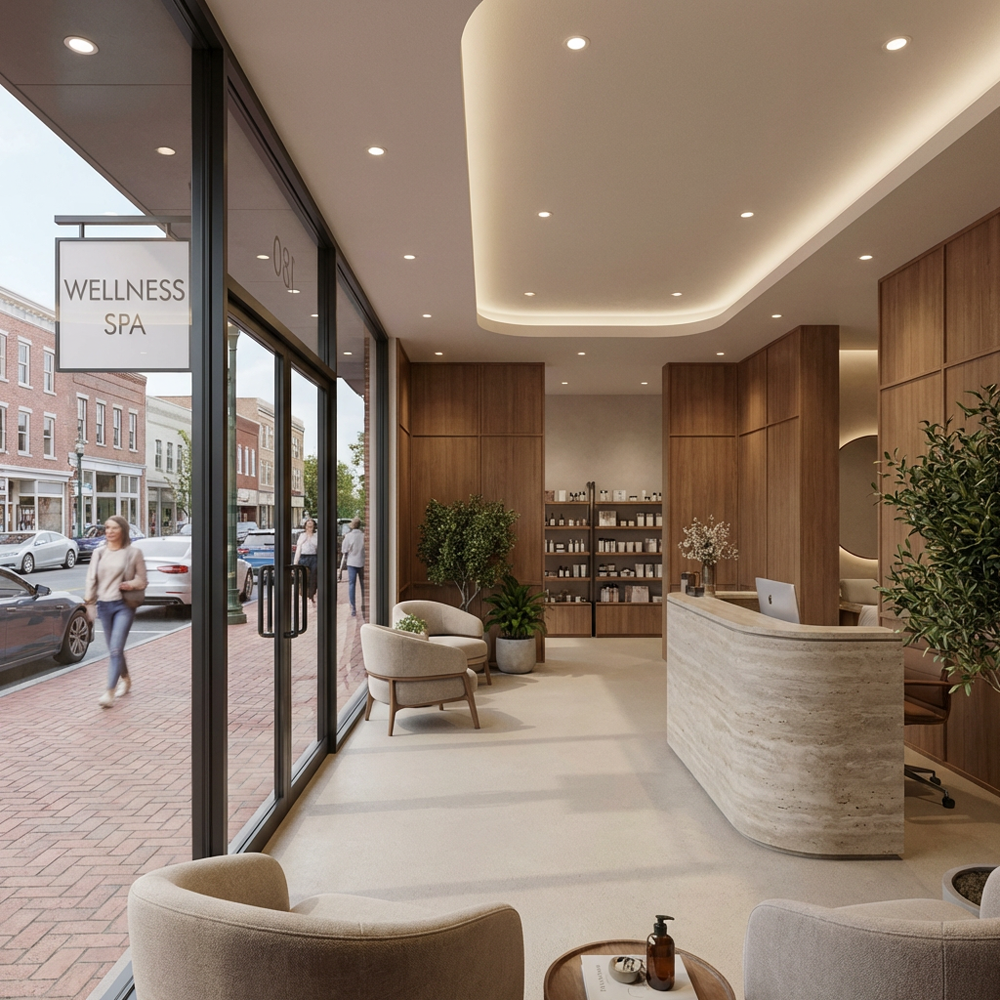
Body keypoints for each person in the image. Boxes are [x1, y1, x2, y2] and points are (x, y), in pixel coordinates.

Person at [84, 514, 148, 708]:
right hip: (104, 605)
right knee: (115, 649)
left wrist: (130, 584)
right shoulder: (99, 552)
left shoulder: (133, 553)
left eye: (114, 528)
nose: (109, 531)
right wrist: (89, 603)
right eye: (107, 528)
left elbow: (142, 580)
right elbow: (91, 578)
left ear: (123, 530)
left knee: (115, 649)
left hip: (123, 605)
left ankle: (109, 692)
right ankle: (126, 679)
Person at [340, 517, 365, 617]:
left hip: (352, 562)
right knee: (363, 585)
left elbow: (344, 550)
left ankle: (353, 608)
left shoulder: (349, 536)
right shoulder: (364, 536)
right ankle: (364, 604)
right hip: (362, 562)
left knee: (351, 585)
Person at [293, 517, 318, 605]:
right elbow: (298, 549)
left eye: (311, 524)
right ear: (305, 526)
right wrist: (295, 563)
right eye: (308, 524)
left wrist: (310, 537)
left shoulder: (316, 536)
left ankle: (311, 595)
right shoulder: (302, 536)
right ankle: (304, 594)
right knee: (303, 577)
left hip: (313, 557)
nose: (310, 525)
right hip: (303, 557)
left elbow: (317, 546)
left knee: (313, 576)